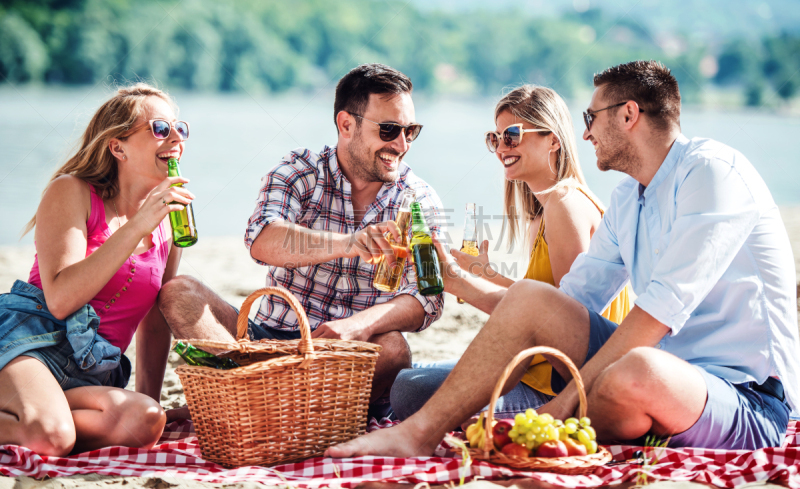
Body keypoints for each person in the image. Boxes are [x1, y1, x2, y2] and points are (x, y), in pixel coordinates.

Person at [326, 60, 799, 457]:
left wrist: (558, 408)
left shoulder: (712, 174)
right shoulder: (629, 201)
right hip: (657, 371)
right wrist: (464, 281)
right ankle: (415, 435)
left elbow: (657, 314)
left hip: (747, 397)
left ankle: (537, 429)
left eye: (592, 119)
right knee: (534, 301)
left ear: (629, 114)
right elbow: (562, 302)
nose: (586, 133)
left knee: (638, 371)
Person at [158, 63, 445, 418]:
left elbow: (428, 298)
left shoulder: (419, 198)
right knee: (180, 292)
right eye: (389, 130)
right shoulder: (300, 170)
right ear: (346, 124)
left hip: (347, 357)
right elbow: (262, 239)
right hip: (264, 343)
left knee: (393, 349)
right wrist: (350, 242)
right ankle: (281, 406)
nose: (401, 144)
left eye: (410, 131)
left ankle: (245, 403)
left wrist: (359, 324)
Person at [390, 85, 631, 421]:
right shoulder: (547, 211)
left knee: (406, 389)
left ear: (554, 139)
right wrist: (485, 275)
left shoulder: (565, 203)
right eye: (496, 138)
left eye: (513, 135)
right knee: (406, 374)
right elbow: (547, 299)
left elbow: (565, 323)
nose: (502, 147)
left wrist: (455, 282)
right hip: (536, 371)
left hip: (559, 388)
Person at [0, 84, 193, 456]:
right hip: (31, 344)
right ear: (117, 147)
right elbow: (59, 299)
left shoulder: (169, 223)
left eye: (179, 128)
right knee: (51, 437)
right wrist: (138, 225)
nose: (174, 139)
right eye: (158, 128)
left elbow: (155, 319)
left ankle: (38, 415)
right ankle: (40, 419)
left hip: (92, 371)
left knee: (146, 422)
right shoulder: (71, 191)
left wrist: (148, 399)